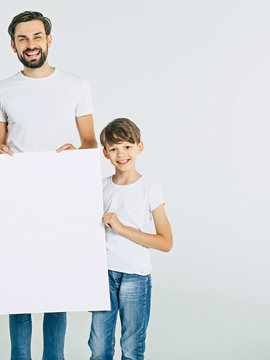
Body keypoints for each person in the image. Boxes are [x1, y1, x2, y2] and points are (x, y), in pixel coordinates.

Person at [0, 10, 97, 360]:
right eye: (22, 38)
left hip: (62, 200)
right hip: (17, 200)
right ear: (12, 45)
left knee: (56, 289)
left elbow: (90, 142)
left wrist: (75, 152)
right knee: (19, 289)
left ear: (49, 40)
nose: (30, 44)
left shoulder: (77, 83)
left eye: (36, 37)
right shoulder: (2, 89)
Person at [89, 118, 173, 360]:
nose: (120, 154)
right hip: (103, 274)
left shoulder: (150, 189)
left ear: (139, 147)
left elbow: (166, 242)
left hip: (135, 275)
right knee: (98, 348)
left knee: (131, 347)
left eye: (126, 146)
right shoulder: (99, 187)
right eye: (113, 148)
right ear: (105, 153)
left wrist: (122, 228)